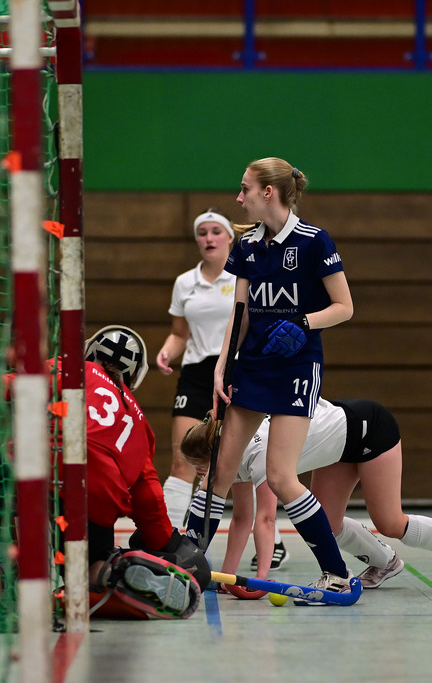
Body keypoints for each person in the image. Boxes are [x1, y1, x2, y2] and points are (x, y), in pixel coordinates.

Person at [183, 157, 359, 605]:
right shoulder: (246, 246)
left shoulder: (315, 241)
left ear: (268, 192)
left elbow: (344, 307)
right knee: (218, 473)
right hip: (253, 367)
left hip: (298, 367)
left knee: (281, 477)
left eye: (245, 189)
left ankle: (336, 574)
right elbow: (240, 313)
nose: (238, 197)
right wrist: (223, 365)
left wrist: (304, 322)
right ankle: (184, 566)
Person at [181, 398, 432, 592]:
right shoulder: (231, 455)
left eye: (199, 466)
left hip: (369, 429)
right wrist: (228, 578)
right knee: (328, 524)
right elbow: (241, 518)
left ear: (214, 454)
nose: (200, 475)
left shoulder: (258, 453)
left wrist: (261, 580)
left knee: (389, 522)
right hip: (337, 448)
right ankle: (385, 562)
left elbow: (266, 519)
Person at [154, 207, 289, 569]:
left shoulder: (244, 276)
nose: (209, 238)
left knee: (243, 461)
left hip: (237, 371)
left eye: (216, 231)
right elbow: (179, 334)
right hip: (196, 374)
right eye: (202, 233)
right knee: (184, 458)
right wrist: (167, 352)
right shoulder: (185, 283)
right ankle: (164, 539)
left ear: (230, 238)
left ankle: (272, 539)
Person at [78, 325, 209, 619]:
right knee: (92, 564)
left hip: (45, 475)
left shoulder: (69, 369)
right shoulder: (138, 421)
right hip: (98, 498)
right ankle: (112, 570)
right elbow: (148, 498)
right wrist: (169, 545)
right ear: (134, 375)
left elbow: (15, 384)